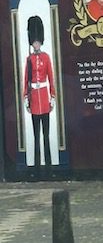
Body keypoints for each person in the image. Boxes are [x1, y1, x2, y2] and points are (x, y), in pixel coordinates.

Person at [23, 15, 55, 179]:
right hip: (34, 100)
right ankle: (37, 169)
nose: (36, 44)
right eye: (34, 42)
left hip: (44, 97)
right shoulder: (29, 59)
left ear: (40, 41)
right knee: (36, 137)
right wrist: (26, 98)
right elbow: (26, 80)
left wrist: (52, 96)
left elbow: (51, 78)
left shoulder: (46, 57)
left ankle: (49, 168)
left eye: (37, 41)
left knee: (46, 136)